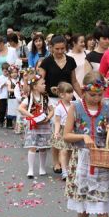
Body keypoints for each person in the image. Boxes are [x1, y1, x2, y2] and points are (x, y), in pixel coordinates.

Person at [64, 71, 109, 217]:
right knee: (83, 209)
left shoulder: (108, 108)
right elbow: (66, 135)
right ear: (84, 91)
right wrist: (82, 136)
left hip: (101, 161)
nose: (97, 98)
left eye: (100, 94)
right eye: (92, 95)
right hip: (81, 160)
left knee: (102, 208)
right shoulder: (76, 107)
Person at [39, 35, 82, 173]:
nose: (59, 51)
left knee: (69, 128)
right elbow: (40, 81)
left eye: (62, 48)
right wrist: (42, 97)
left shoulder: (70, 61)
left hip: (69, 99)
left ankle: (67, 160)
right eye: (57, 49)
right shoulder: (46, 62)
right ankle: (56, 161)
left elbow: (74, 81)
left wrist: (82, 97)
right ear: (51, 48)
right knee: (55, 130)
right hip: (52, 99)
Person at [19, 73, 54, 179]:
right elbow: (21, 108)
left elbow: (52, 110)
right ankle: (30, 169)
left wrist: (48, 118)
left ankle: (42, 168)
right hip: (33, 125)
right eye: (42, 84)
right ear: (35, 86)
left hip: (44, 124)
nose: (45, 85)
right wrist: (31, 116)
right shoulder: (29, 98)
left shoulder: (46, 98)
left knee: (43, 147)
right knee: (32, 146)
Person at [51, 82, 74, 181]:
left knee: (70, 151)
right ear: (62, 95)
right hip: (63, 130)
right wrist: (56, 132)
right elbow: (57, 121)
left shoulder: (74, 105)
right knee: (63, 151)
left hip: (72, 130)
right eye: (69, 93)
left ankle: (69, 168)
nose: (71, 94)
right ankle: (64, 171)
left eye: (72, 92)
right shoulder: (59, 107)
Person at [0, 63, 10, 127]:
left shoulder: (10, 77)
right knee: (2, 109)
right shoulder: (0, 77)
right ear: (2, 70)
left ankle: (9, 122)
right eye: (5, 71)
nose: (6, 73)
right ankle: (1, 120)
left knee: (9, 109)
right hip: (3, 95)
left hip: (9, 95)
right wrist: (3, 84)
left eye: (7, 71)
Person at [6, 64, 20, 129]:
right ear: (10, 74)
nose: (14, 74)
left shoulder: (18, 80)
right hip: (12, 98)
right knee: (12, 111)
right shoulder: (9, 81)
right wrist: (16, 90)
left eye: (15, 72)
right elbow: (9, 89)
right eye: (12, 73)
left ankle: (17, 125)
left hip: (18, 98)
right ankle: (11, 123)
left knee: (18, 110)